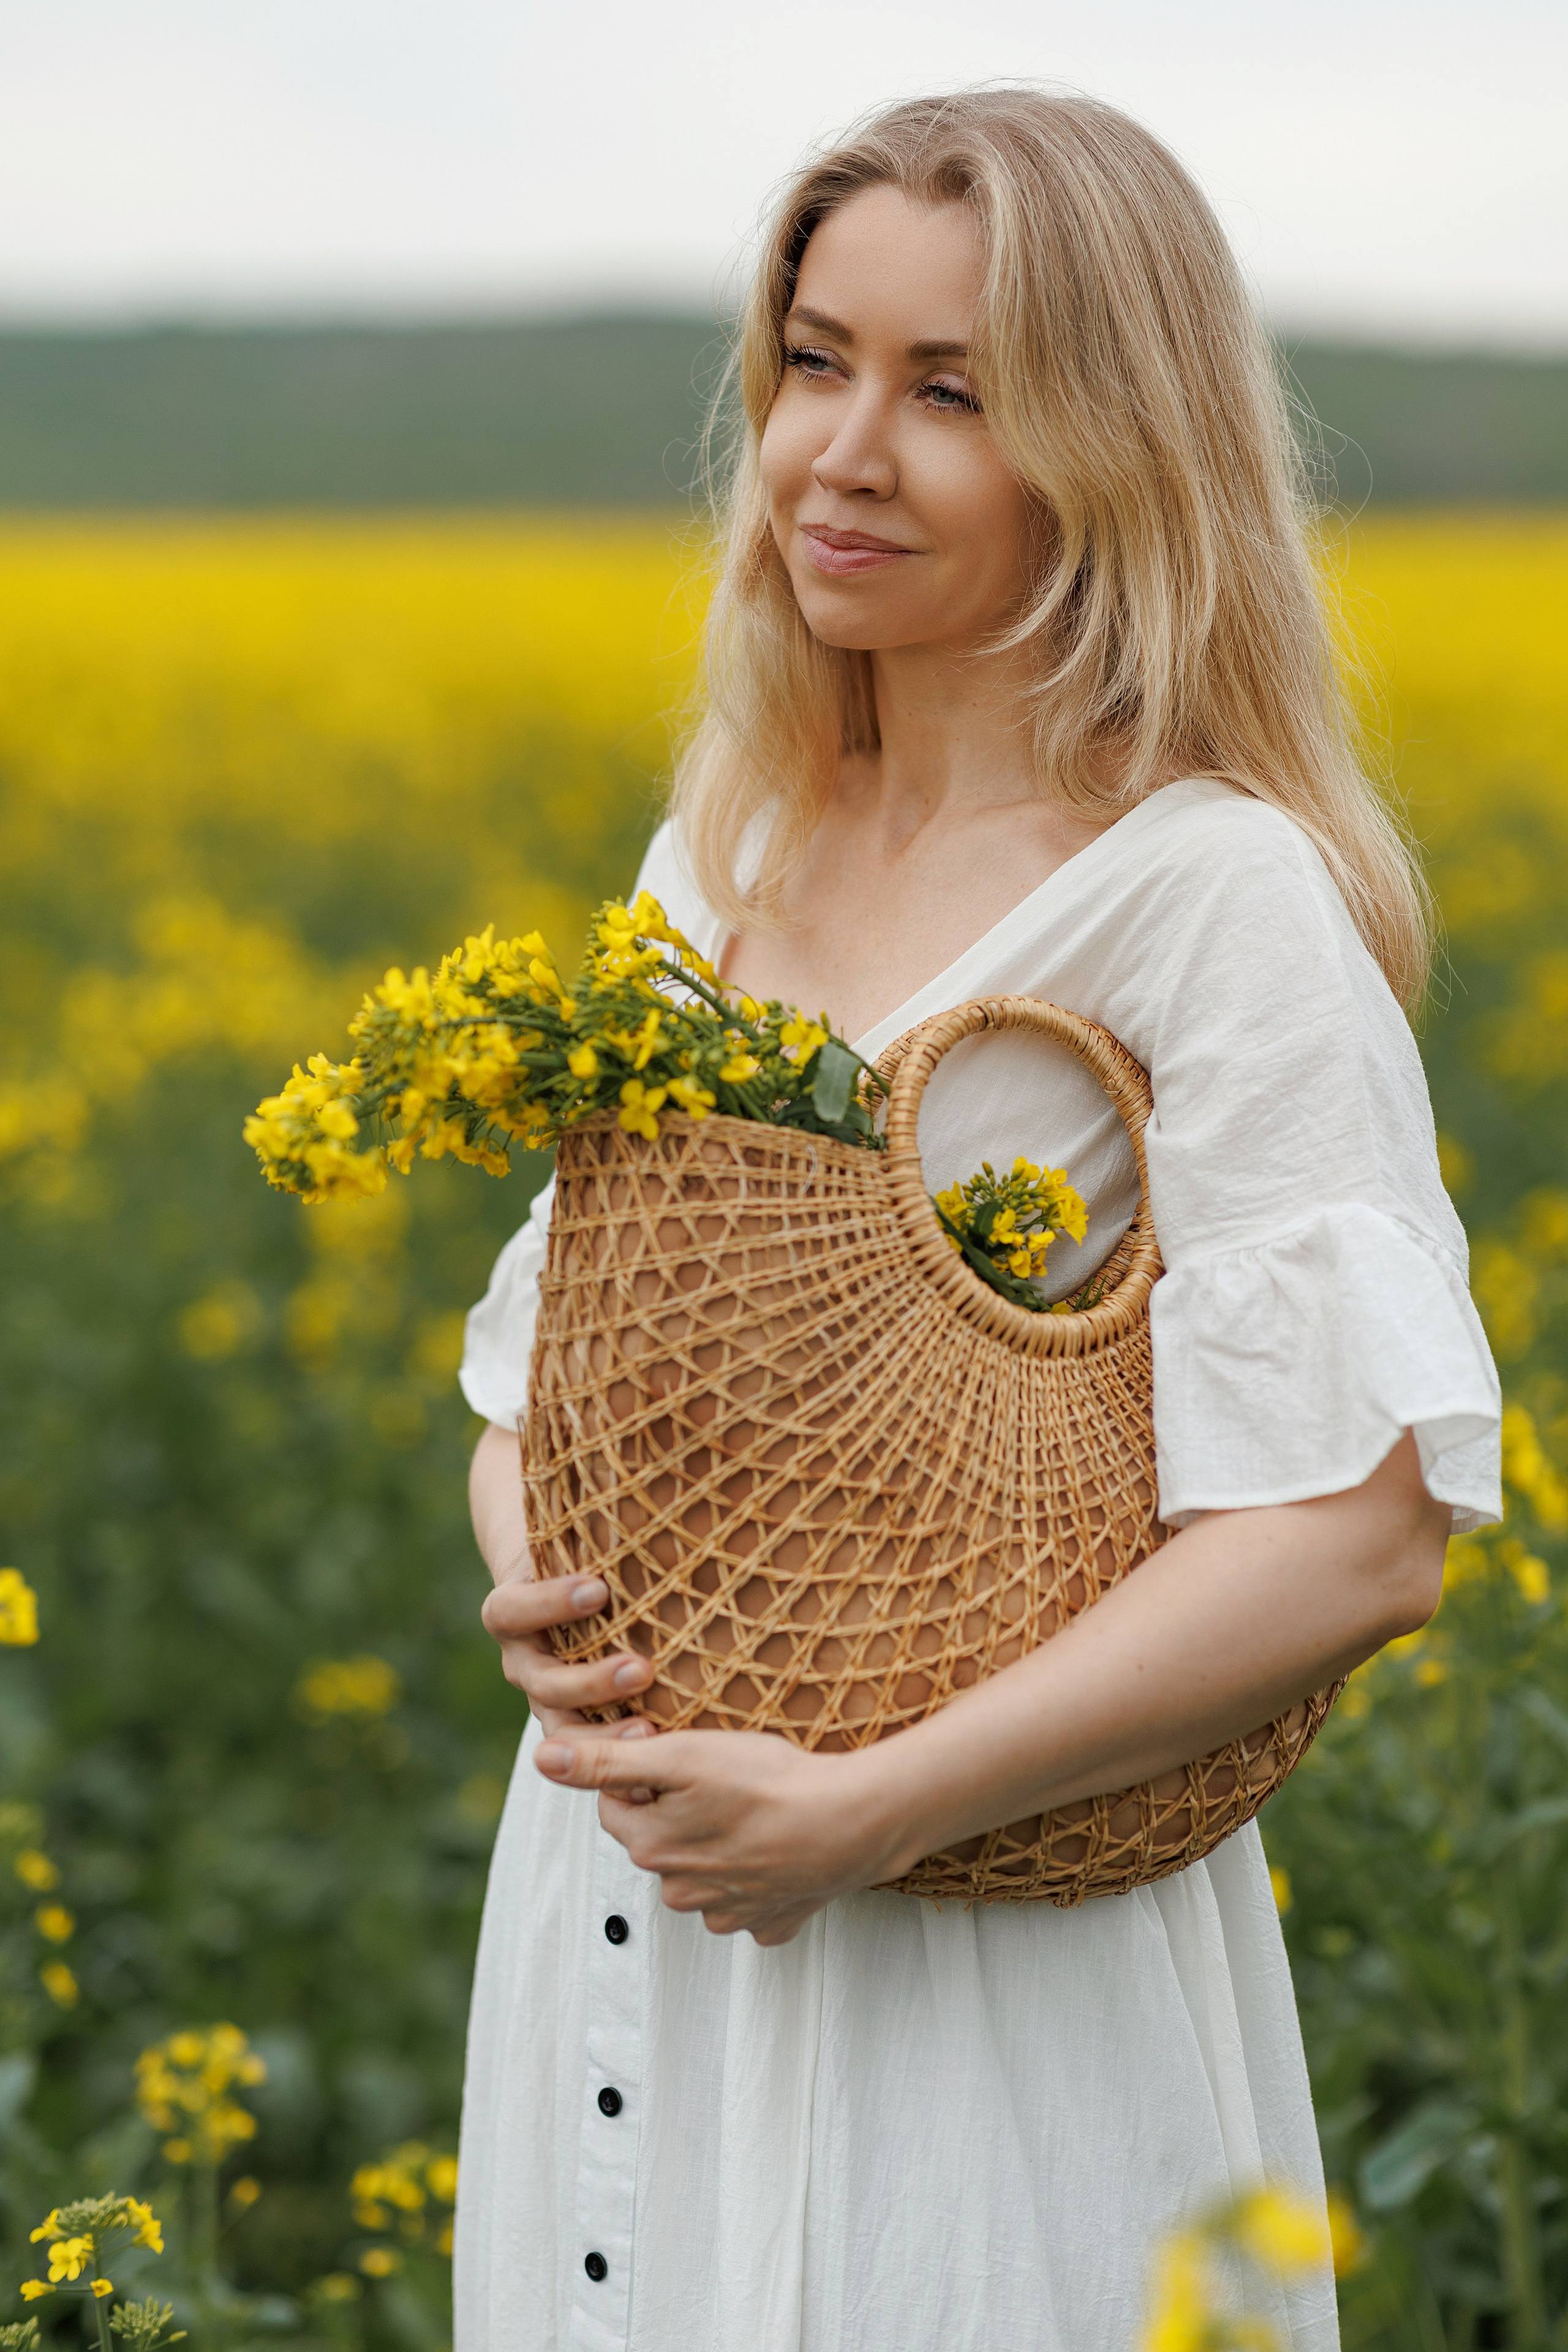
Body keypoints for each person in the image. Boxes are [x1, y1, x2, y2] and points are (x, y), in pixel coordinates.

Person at [453, 89, 1501, 2352]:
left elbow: (1363, 1528)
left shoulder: (1215, 893)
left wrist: (862, 1807)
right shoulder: (716, 859)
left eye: (954, 391)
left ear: (1115, 448)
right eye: (816, 362)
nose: (844, 450)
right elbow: (545, 1367)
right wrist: (541, 1596)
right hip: (630, 1897)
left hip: (971, 1949)